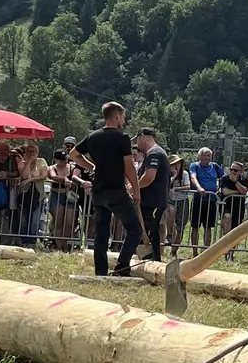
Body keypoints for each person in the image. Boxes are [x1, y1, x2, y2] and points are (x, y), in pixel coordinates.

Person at [71, 102, 142, 278]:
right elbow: (129, 167)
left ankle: (100, 272)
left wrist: (91, 166)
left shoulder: (93, 136)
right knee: (135, 230)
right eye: (123, 116)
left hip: (98, 191)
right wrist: (136, 189)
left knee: (101, 233)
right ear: (116, 115)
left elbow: (73, 154)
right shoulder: (122, 137)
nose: (124, 120)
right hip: (116, 191)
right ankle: (122, 267)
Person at [134, 128, 172, 261]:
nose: (137, 144)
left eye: (137, 140)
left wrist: (134, 187)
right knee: (149, 231)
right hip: (152, 201)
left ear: (142, 137)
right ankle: (149, 260)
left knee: (150, 232)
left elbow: (149, 177)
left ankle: (152, 261)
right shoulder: (155, 152)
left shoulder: (154, 153)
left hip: (152, 201)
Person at [14, 140, 48, 246]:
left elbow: (44, 175)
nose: (31, 153)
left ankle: (32, 241)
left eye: (34, 151)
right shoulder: (22, 163)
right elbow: (24, 175)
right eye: (29, 151)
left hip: (38, 195)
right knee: (23, 219)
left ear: (37, 152)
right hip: (24, 195)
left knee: (35, 219)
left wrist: (30, 180)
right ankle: (23, 241)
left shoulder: (41, 161)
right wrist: (28, 162)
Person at [188, 148, 222, 251]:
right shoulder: (195, 166)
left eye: (208, 156)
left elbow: (224, 178)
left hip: (211, 201)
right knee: (195, 227)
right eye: (204, 155)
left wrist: (220, 188)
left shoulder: (215, 166)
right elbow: (193, 177)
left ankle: (206, 251)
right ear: (199, 156)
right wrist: (199, 187)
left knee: (208, 227)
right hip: (198, 200)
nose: (206, 157)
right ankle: (194, 251)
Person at [219, 158, 248, 244]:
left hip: (238, 207)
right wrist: (238, 192)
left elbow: (244, 191)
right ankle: (226, 243)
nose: (233, 172)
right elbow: (225, 192)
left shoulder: (243, 179)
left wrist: (236, 182)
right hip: (226, 205)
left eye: (235, 170)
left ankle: (232, 248)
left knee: (236, 229)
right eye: (231, 169)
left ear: (240, 171)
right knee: (227, 217)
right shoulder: (224, 178)